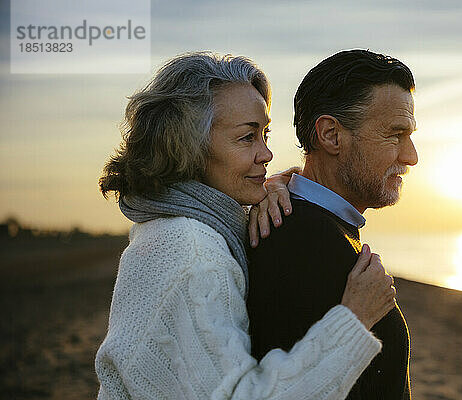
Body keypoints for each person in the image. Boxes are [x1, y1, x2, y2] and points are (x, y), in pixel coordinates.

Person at [94, 52, 398, 400]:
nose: (267, 154)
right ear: (189, 146)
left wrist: (272, 186)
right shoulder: (192, 251)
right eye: (247, 137)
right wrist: (354, 321)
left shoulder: (172, 228)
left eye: (265, 134)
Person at [247, 49, 418, 399]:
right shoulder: (299, 238)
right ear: (331, 135)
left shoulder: (310, 223)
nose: (411, 156)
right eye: (395, 135)